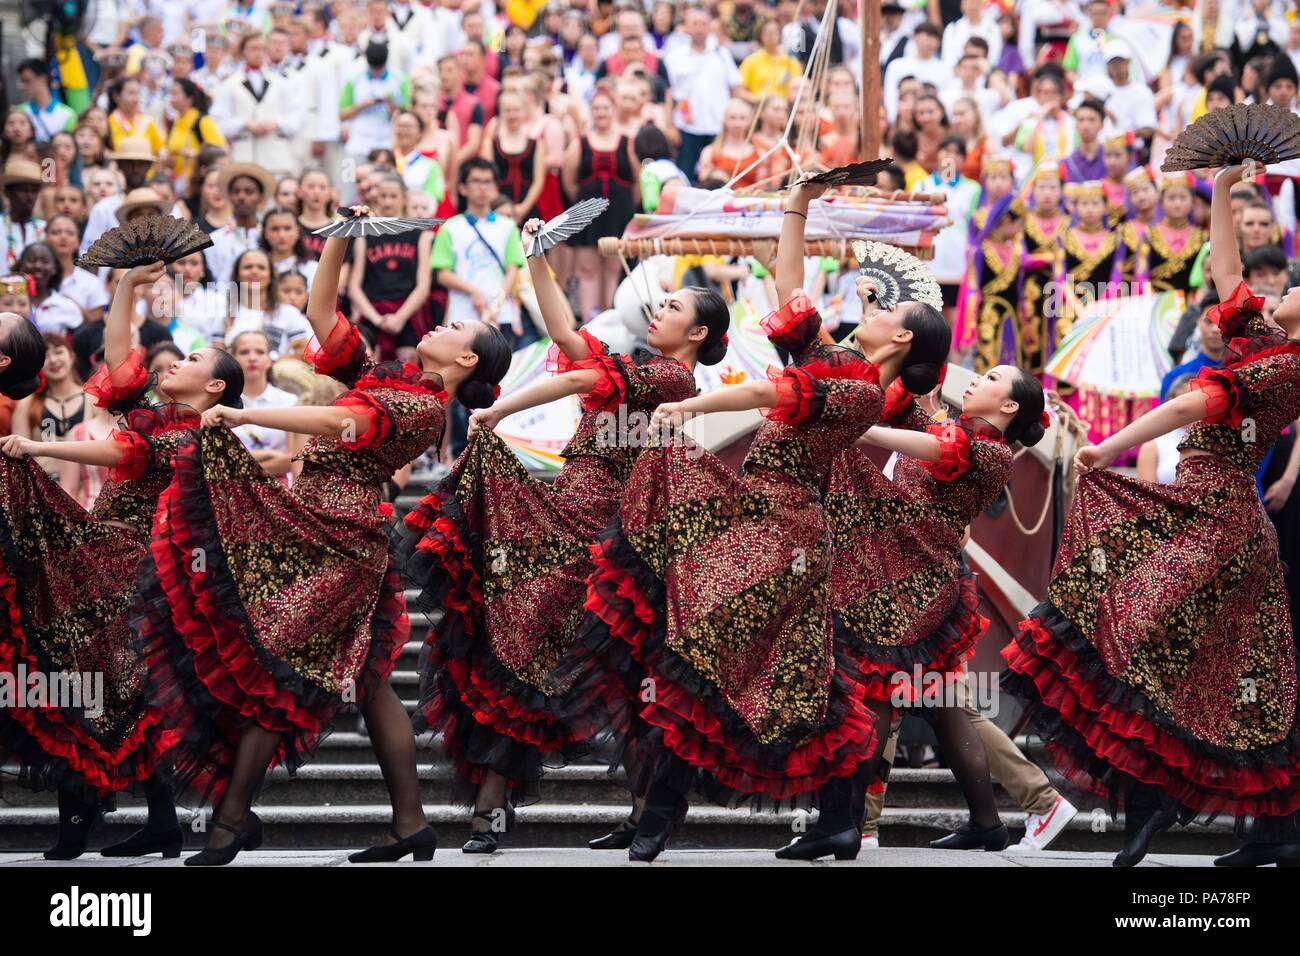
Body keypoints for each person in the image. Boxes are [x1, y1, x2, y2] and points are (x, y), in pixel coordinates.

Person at [550, 181, 951, 862]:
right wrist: (798, 203)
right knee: (812, 677)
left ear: (903, 333)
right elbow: (789, 286)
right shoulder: (842, 363)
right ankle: (838, 820)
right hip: (771, 521)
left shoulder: (859, 390)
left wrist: (689, 411)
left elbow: (772, 389)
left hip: (779, 528)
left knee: (702, 658)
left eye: (886, 307)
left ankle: (659, 824)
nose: (871, 306)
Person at [127, 209, 511, 866]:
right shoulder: (392, 379)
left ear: (466, 358)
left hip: (340, 540)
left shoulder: (417, 404)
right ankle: (410, 825)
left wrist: (246, 410)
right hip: (324, 529)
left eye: (453, 326)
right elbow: (323, 311)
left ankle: (230, 820)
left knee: (280, 671)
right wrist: (339, 239)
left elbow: (337, 421)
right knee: (367, 681)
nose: (439, 325)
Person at [1002, 162, 1300, 868]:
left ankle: (1228, 816)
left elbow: (1193, 405)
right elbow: (1225, 267)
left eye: (1295, 290)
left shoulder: (1285, 368)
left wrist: (1109, 444)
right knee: (1225, 669)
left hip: (1222, 520)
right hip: (1198, 510)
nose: (1285, 288)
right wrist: (1223, 191)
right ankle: (1224, 815)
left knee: (1160, 637)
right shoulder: (1261, 334)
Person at [398, 212, 720, 852]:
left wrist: (499, 408)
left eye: (675, 306)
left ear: (699, 332)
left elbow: (577, 376)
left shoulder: (672, 377)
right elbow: (566, 335)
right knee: (538, 656)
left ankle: (626, 812)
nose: (659, 310)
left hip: (603, 534)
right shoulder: (638, 365)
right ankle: (521, 810)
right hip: (567, 518)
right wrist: (538, 256)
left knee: (577, 665)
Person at [0, 258, 246, 860]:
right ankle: (156, 821)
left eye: (191, 361)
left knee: (108, 688)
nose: (174, 363)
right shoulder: (158, 413)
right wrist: (128, 287)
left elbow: (117, 453)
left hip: (138, 568)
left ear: (215, 387)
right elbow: (117, 355)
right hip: (106, 555)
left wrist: (34, 444)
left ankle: (92, 825)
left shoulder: (194, 432)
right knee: (112, 689)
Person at [826, 364, 1050, 855]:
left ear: (1009, 407)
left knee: (882, 696)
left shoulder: (987, 453)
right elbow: (919, 431)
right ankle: (986, 822)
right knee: (946, 708)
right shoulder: (955, 432)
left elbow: (931, 449)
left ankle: (842, 822)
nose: (975, 381)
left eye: (990, 379)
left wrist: (845, 422)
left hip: (915, 591)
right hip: (911, 583)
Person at [349, 173, 434, 362]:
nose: (387, 202)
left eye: (393, 196)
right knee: (369, 362)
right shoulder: (365, 234)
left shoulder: (420, 234)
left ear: (404, 198)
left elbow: (423, 286)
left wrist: (400, 317)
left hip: (408, 311)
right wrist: (377, 319)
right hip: (373, 310)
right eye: (383, 196)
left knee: (409, 359)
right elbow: (354, 287)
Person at [1, 158, 47, 270]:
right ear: (8, 192)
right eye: (23, 190)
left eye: (34, 191)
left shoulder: (45, 228)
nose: (30, 196)